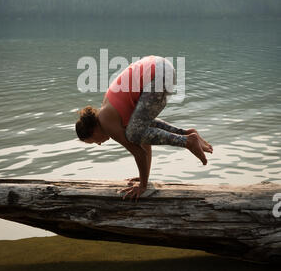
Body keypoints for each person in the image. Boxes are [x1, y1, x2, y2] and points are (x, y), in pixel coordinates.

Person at [75, 55, 213, 201]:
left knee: (133, 134)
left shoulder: (106, 121)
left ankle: (188, 141)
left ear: (93, 131)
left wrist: (143, 186)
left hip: (157, 76)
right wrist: (143, 178)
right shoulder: (109, 110)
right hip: (162, 68)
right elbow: (144, 141)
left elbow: (139, 153)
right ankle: (187, 133)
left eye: (93, 141)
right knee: (137, 131)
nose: (99, 143)